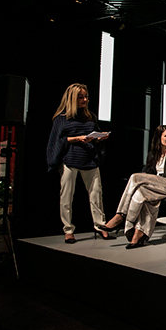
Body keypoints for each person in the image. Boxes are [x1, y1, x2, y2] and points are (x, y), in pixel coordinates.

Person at [98, 125, 166, 249]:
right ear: (158, 137)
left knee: (135, 177)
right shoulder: (152, 154)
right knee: (140, 193)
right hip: (154, 188)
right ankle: (138, 234)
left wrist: (157, 177)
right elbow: (148, 172)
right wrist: (151, 178)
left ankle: (121, 216)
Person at [46, 83, 110, 243]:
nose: (85, 100)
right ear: (72, 98)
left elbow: (95, 136)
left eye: (86, 96)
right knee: (66, 196)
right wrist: (77, 138)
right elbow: (57, 140)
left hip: (89, 159)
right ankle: (68, 230)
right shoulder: (61, 118)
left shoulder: (90, 117)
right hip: (70, 160)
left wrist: (99, 138)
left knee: (96, 194)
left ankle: (100, 226)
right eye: (81, 97)